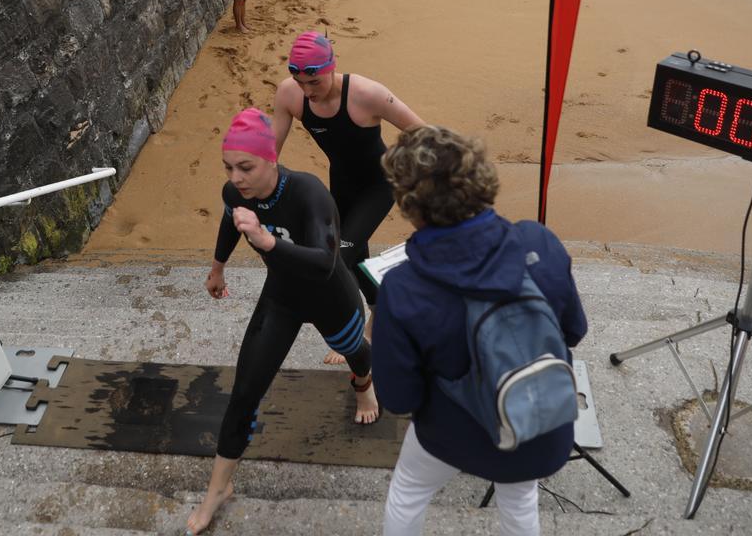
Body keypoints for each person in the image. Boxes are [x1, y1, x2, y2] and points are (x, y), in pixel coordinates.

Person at [371, 126, 588, 536]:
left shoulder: (402, 287)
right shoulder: (538, 241)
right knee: (520, 500)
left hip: (454, 435)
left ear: (410, 205)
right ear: (481, 181)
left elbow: (399, 399)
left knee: (409, 490)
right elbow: (574, 331)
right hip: (537, 425)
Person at [186, 108, 379, 535]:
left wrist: (265, 240)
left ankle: (364, 385)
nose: (236, 178)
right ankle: (219, 488)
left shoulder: (309, 193)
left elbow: (325, 262)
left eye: (246, 167)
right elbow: (231, 219)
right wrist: (217, 268)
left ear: (271, 157)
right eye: (229, 167)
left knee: (355, 352)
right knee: (244, 393)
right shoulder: (235, 192)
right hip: (282, 298)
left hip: (331, 297)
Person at [271, 31, 424, 364]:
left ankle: (358, 334)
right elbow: (270, 155)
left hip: (379, 185)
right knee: (353, 257)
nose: (307, 91)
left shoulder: (368, 94)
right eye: (300, 82)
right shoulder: (289, 94)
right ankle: (380, 308)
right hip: (340, 185)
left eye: (314, 82)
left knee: (338, 257)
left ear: (332, 66)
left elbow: (423, 133)